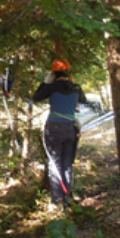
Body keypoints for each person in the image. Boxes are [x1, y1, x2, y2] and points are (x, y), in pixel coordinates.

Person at [33, 59, 87, 208]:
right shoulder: (76, 87)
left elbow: (36, 97)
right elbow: (83, 100)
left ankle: (57, 200)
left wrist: (45, 83)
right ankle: (67, 197)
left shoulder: (52, 87)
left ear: (54, 74)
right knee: (67, 163)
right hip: (71, 128)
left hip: (54, 128)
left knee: (54, 163)